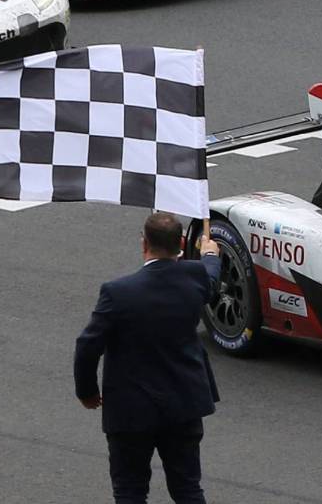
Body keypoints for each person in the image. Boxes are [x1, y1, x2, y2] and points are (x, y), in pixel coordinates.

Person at [74, 212, 223, 504]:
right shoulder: (195, 279)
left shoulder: (117, 293)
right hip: (183, 405)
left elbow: (88, 345)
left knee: (130, 491)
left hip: (131, 411)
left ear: (144, 244)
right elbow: (211, 277)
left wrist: (88, 392)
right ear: (181, 243)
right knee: (188, 489)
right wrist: (210, 253)